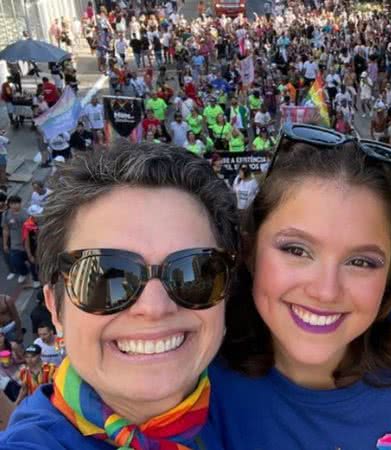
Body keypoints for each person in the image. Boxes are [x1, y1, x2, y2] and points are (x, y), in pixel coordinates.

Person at [210, 124, 391, 448]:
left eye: (360, 262)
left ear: (390, 274)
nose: (326, 291)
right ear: (250, 250)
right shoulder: (196, 386)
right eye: (296, 250)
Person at [0, 143, 239, 449]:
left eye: (194, 272)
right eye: (106, 276)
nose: (154, 308)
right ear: (55, 309)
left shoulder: (260, 405)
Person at [3, 196, 30, 285]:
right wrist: (5, 244)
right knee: (16, 261)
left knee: (33, 261)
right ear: (9, 204)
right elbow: (6, 230)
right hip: (15, 244)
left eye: (16, 203)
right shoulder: (6, 214)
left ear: (20, 203)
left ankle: (35, 277)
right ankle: (24, 272)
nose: (14, 205)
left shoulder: (27, 213)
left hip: (28, 242)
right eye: (12, 204)